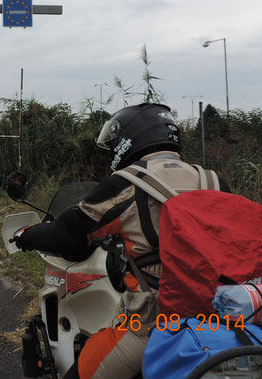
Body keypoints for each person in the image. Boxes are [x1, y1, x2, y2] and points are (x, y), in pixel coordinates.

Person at [12, 103, 230, 379]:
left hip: (155, 323)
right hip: (225, 318)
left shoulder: (128, 183)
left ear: (130, 140)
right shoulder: (213, 181)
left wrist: (26, 236)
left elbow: (69, 232)